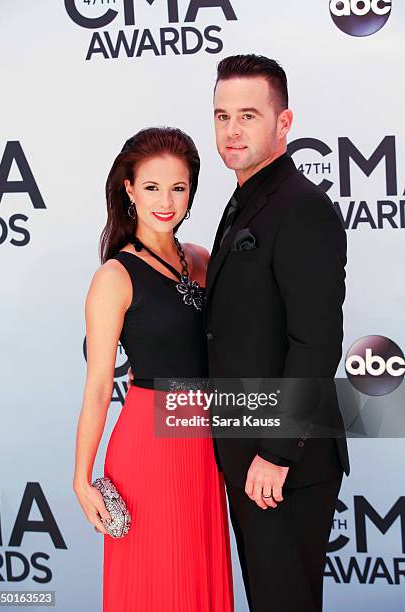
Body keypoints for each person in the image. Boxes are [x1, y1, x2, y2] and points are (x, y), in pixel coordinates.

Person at [205, 54, 350, 611]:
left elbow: (315, 342)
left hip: (283, 459)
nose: (232, 130)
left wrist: (277, 452)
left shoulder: (301, 208)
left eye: (248, 114)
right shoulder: (246, 200)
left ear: (283, 123)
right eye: (221, 116)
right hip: (250, 451)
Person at [73, 127, 234, 612]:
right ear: (128, 189)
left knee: (200, 573)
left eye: (178, 188)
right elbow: (100, 386)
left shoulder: (204, 261)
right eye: (151, 187)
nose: (166, 201)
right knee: (158, 580)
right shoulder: (114, 277)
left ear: (191, 191)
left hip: (206, 437)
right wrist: (81, 477)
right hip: (151, 442)